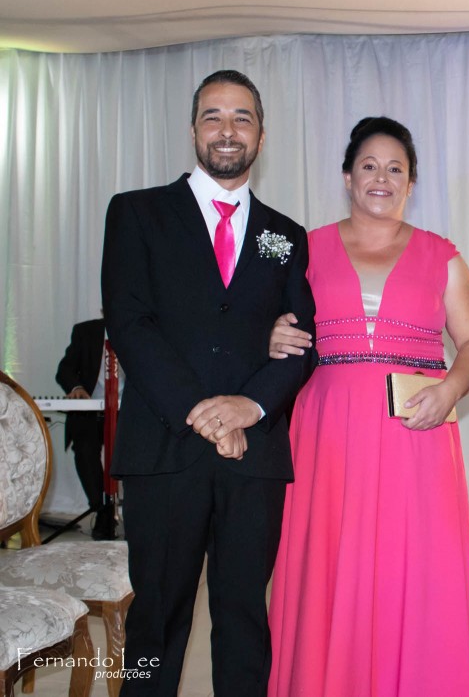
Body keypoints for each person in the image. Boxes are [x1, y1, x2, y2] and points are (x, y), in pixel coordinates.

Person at [100, 69, 316, 696]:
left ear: (261, 136)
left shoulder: (286, 235)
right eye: (213, 116)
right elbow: (130, 323)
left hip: (255, 456)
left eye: (242, 118)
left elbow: (303, 343)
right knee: (155, 623)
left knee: (245, 621)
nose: (227, 130)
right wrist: (204, 412)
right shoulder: (137, 212)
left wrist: (250, 406)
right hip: (165, 449)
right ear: (193, 130)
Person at [266, 116, 469, 697]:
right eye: (369, 166)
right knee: (327, 566)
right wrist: (269, 335)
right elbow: (260, 321)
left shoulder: (441, 255)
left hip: (417, 435)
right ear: (347, 177)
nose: (382, 179)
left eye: (396, 169)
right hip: (326, 435)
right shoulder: (303, 248)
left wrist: (451, 389)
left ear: (411, 183)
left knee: (411, 568)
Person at [55, 316, 118, 539]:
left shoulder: (142, 329)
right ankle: (102, 509)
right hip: (91, 409)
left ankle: (135, 512)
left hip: (128, 411)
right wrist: (76, 387)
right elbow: (65, 369)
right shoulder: (85, 331)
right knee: (84, 448)